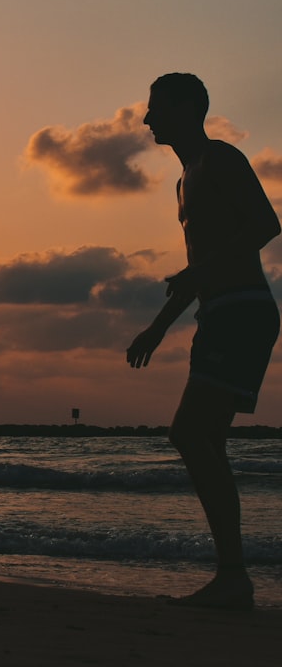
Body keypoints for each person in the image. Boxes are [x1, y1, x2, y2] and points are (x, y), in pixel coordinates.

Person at [127, 73, 280, 609]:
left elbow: (266, 223)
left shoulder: (220, 160)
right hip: (217, 313)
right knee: (203, 440)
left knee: (190, 434)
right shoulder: (183, 179)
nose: (147, 119)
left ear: (190, 108)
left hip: (243, 311)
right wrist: (159, 326)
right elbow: (196, 273)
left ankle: (235, 575)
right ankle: (232, 577)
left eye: (157, 109)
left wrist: (200, 275)